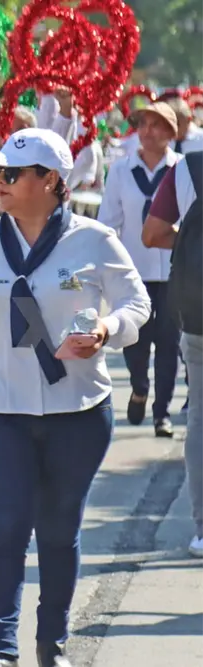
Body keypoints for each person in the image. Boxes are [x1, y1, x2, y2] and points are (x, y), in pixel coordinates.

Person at [0, 129, 150, 667]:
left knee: (58, 532)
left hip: (76, 414)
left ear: (50, 181)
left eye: (10, 174)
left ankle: (50, 641)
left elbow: (137, 304)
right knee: (4, 531)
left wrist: (106, 328)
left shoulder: (94, 239)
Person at [98, 102, 182, 437]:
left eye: (157, 125)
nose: (148, 131)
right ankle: (138, 388)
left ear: (170, 133)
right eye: (144, 124)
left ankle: (161, 413)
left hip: (172, 273)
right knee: (134, 341)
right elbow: (108, 222)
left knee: (168, 343)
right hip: (133, 272)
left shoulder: (181, 169)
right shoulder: (121, 170)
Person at [142, 153, 203, 557]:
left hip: (198, 313)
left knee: (199, 418)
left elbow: (152, 233)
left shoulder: (186, 168)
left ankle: (202, 528)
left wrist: (193, 237)